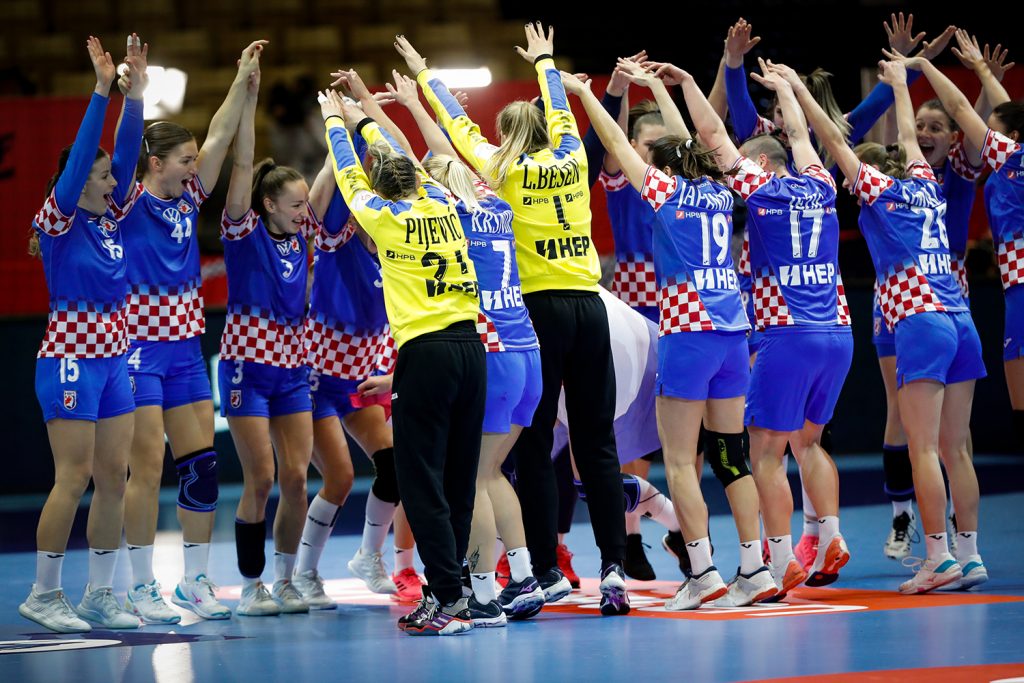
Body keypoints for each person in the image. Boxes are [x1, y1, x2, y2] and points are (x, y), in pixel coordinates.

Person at [398, 24, 631, 616]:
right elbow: (559, 110)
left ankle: (543, 570)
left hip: (537, 314)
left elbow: (455, 129)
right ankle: (613, 570)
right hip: (590, 303)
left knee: (531, 450)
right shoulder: (573, 156)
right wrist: (546, 60)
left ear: (506, 139)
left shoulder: (501, 174)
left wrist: (424, 76)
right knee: (596, 443)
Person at [566, 60, 773, 610]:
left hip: (687, 334)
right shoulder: (722, 192)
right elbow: (701, 138)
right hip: (734, 332)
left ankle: (702, 572)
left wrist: (585, 95)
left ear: (660, 164)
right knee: (733, 459)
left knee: (680, 462)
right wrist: (664, 84)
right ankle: (754, 568)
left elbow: (614, 138)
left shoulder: (666, 193)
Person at [786, 54, 986, 593]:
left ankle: (938, 559)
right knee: (956, 448)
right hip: (961, 316)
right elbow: (906, 133)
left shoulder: (879, 189)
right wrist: (899, 83)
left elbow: (831, 140)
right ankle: (969, 555)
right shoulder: (925, 182)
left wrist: (798, 94)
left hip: (920, 320)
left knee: (923, 448)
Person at [683, 55, 855, 596]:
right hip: (839, 333)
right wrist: (789, 85)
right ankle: (827, 533)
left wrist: (689, 82)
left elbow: (712, 134)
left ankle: (778, 561)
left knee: (764, 452)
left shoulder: (760, 190)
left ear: (760, 167)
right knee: (811, 442)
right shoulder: (822, 184)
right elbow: (802, 132)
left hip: (787, 334)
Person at [386, 69, 547, 624]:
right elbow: (435, 151)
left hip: (493, 351)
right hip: (529, 351)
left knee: (471, 477)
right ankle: (524, 577)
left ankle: (478, 592)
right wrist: (415, 97)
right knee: (495, 472)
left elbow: (408, 156)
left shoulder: (443, 214)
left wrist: (371, 110)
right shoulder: (497, 204)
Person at [323, 88, 485, 635]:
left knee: (420, 481)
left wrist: (336, 121)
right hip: (471, 349)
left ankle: (446, 599)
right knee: (460, 478)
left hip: (426, 352)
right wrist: (368, 121)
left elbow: (349, 176)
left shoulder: (383, 216)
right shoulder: (442, 200)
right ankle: (458, 588)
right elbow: (402, 157)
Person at [119, 39, 267, 623]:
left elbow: (222, 134)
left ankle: (195, 581)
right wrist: (132, 90)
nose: (192, 165)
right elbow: (126, 144)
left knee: (202, 465)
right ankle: (137, 586)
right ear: (156, 163)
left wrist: (241, 79)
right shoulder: (127, 204)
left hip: (184, 352)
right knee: (146, 470)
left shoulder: (186, 204)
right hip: (137, 353)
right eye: (183, 160)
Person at [20, 35, 147, 633]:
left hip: (114, 362)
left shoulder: (112, 217)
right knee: (71, 478)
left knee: (112, 479)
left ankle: (100, 593)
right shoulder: (61, 218)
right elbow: (78, 171)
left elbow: (123, 155)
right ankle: (44, 595)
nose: (112, 182)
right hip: (70, 359)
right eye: (102, 177)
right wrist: (101, 92)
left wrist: (135, 94)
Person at [889, 32, 1020, 588]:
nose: (925, 134)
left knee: (937, 442)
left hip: (936, 306)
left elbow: (973, 120)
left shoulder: (966, 171)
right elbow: (982, 118)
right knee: (935, 437)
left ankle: (940, 553)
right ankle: (963, 552)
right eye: (920, 127)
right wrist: (986, 79)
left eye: (937, 127)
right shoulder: (903, 177)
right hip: (938, 312)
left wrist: (913, 68)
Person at [219, 50, 328, 616]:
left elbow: (329, 186)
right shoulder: (244, 233)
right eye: (293, 204)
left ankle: (286, 580)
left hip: (293, 368)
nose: (303, 211)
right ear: (267, 206)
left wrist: (344, 125)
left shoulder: (302, 231)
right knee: (260, 476)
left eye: (304, 204)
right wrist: (249, 96)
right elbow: (240, 171)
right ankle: (251, 584)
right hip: (246, 365)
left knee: (295, 478)